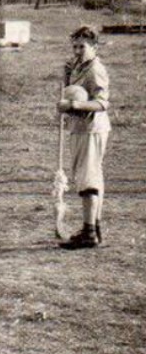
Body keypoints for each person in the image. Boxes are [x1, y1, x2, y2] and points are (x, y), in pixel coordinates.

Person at [57, 27, 111, 250]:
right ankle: (94, 226)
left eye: (83, 47)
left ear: (94, 48)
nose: (77, 51)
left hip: (91, 129)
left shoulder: (95, 69)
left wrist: (73, 105)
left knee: (87, 177)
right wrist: (68, 76)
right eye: (75, 46)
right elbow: (73, 90)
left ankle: (89, 233)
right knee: (89, 175)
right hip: (80, 128)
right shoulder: (79, 66)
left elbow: (102, 103)